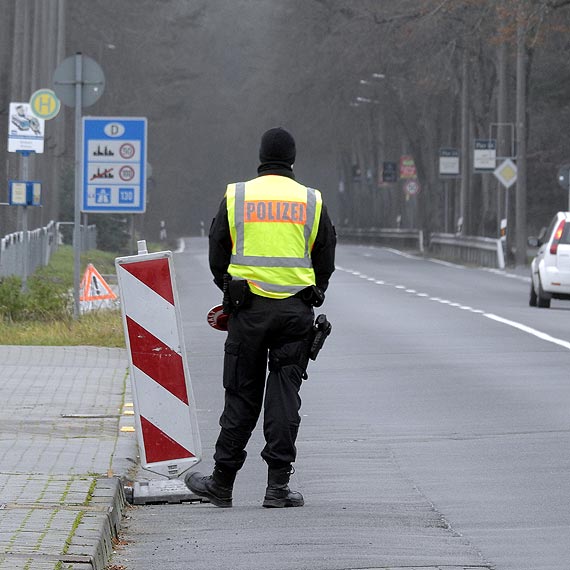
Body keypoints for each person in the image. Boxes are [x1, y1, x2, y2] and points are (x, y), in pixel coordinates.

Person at [185, 127, 336, 508]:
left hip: (248, 310)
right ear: (292, 159)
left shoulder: (238, 195)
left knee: (241, 395)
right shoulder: (311, 200)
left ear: (261, 157)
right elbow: (326, 252)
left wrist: (227, 287)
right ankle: (277, 487)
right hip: (294, 312)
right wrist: (316, 289)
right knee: (285, 395)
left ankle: (222, 483)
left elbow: (218, 245)